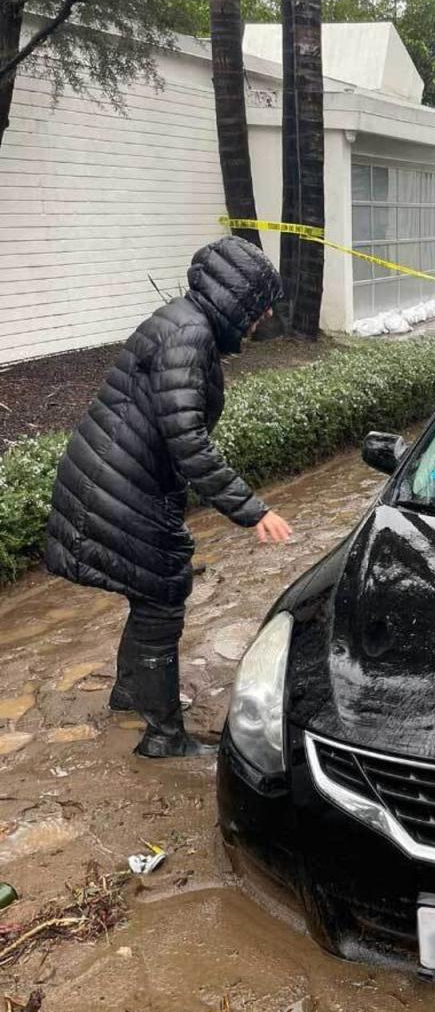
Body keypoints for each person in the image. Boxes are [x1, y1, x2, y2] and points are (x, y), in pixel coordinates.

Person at [45, 236, 293, 759]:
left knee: (151, 592)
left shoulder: (185, 322)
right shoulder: (189, 335)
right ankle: (163, 737)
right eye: (262, 304)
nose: (266, 315)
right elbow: (187, 441)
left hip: (113, 481)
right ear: (239, 298)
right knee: (162, 600)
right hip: (117, 488)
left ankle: (132, 692)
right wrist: (253, 511)